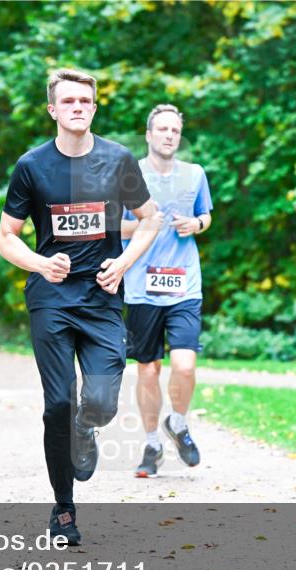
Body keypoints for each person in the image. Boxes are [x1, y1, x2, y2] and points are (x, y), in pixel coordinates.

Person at [0, 68, 162, 545]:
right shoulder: (32, 166)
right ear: (52, 109)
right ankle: (64, 509)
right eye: (68, 101)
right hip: (51, 299)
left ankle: (86, 429)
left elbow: (150, 220)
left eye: (85, 101)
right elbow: (6, 237)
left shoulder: (118, 159)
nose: (77, 108)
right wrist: (41, 264)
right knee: (58, 404)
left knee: (102, 401)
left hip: (102, 297)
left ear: (94, 107)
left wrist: (124, 263)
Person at [121, 104, 213, 478]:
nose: (169, 135)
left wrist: (197, 224)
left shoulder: (195, 174)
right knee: (148, 370)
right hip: (141, 286)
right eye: (162, 129)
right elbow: (112, 227)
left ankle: (177, 422)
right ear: (148, 135)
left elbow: (206, 215)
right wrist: (146, 225)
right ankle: (151, 444)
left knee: (185, 365)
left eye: (175, 130)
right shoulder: (130, 177)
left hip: (184, 284)